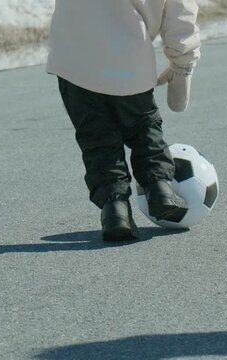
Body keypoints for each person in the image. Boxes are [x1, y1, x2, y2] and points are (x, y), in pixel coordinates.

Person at [46, 0, 201, 241]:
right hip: (129, 55)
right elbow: (180, 14)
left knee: (97, 140)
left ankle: (114, 211)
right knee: (144, 128)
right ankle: (160, 190)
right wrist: (182, 66)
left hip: (75, 58)